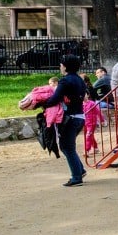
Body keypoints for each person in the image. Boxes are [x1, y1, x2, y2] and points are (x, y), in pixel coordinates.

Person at [36, 55, 90, 187]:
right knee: (68, 146)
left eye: (61, 64)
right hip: (79, 117)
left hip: (69, 118)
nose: (60, 66)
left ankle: (76, 177)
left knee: (67, 146)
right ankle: (80, 170)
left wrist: (42, 104)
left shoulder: (65, 81)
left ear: (65, 66)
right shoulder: (79, 80)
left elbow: (55, 98)